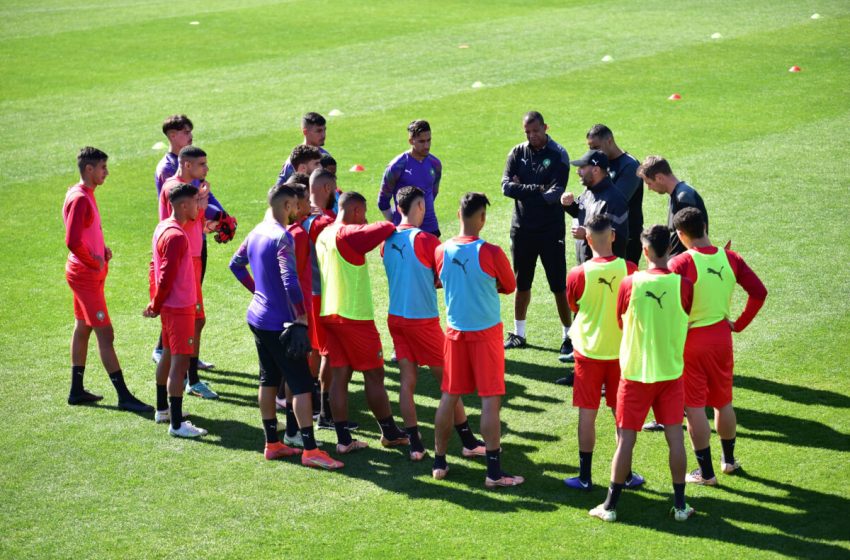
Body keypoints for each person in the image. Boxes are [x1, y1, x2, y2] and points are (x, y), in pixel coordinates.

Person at [229, 184, 343, 469]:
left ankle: (272, 443)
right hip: (280, 322)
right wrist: (301, 317)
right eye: (295, 205)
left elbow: (236, 264)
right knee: (302, 384)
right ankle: (310, 450)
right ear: (287, 206)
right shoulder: (282, 237)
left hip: (257, 318)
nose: (297, 210)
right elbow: (290, 280)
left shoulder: (256, 231)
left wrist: (257, 292)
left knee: (268, 379)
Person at [589, 225, 694, 522]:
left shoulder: (629, 283)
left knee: (626, 440)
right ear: (670, 250)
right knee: (675, 438)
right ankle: (681, 506)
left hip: (635, 373)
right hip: (670, 373)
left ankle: (609, 506)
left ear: (645, 251)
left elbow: (620, 321)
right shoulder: (684, 285)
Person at [381, 186, 486, 461]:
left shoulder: (387, 239)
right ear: (419, 207)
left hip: (396, 319)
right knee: (451, 383)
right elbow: (441, 276)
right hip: (422, 321)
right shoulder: (427, 241)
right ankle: (468, 441)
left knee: (407, 382)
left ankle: (415, 444)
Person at [669, 208, 767, 485]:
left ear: (681, 234)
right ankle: (729, 461)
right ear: (704, 227)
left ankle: (706, 473)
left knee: (695, 407)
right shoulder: (731, 258)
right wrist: (739, 323)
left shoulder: (681, 263)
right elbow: (759, 293)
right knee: (723, 402)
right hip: (722, 338)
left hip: (691, 341)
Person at [432, 193, 523, 488]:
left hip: (455, 333)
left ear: (459, 214)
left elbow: (439, 280)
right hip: (486, 335)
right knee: (489, 400)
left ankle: (440, 462)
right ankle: (494, 473)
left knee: (449, 396)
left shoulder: (441, 250)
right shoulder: (492, 252)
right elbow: (510, 285)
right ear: (482, 218)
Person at [315, 192, 409, 453]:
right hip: (354, 316)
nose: (366, 218)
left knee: (340, 376)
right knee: (374, 374)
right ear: (355, 211)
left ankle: (344, 440)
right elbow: (385, 226)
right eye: (364, 213)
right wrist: (393, 218)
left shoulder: (325, 234)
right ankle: (389, 432)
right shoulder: (348, 234)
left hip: (329, 313)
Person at [63, 147, 152, 412]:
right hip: (85, 276)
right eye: (103, 168)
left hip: (86, 273)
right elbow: (71, 240)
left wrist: (101, 251)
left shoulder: (81, 193)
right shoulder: (80, 198)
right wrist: (93, 260)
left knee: (83, 328)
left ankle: (76, 391)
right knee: (105, 333)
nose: (107, 172)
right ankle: (124, 396)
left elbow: (85, 235)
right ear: (89, 169)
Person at [563, 214, 642, 491]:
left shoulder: (577, 274)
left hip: (588, 353)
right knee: (621, 414)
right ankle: (627, 474)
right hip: (621, 353)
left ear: (587, 238)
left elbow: (573, 305)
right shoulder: (630, 269)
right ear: (613, 236)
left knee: (587, 412)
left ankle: (585, 477)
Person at [152, 114, 235, 370]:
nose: (191, 135)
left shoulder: (190, 175)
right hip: (182, 250)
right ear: (173, 135)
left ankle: (184, 361)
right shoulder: (171, 174)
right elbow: (191, 207)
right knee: (185, 313)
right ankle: (181, 368)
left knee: (193, 316)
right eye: (186, 132)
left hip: (193, 246)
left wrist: (219, 220)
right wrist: (219, 217)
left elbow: (200, 206)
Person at [501, 111, 573, 361]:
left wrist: (523, 190)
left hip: (550, 230)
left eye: (536, 131)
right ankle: (519, 334)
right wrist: (535, 188)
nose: (532, 136)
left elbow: (554, 193)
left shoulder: (559, 154)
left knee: (558, 285)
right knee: (522, 283)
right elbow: (505, 187)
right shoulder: (517, 152)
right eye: (527, 132)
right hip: (521, 229)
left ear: (545, 127)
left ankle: (568, 336)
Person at [144, 181, 209, 437]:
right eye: (196, 202)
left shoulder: (163, 227)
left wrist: (157, 303)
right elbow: (165, 275)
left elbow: (154, 268)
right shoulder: (176, 236)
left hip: (172, 306)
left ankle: (163, 410)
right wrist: (155, 304)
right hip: (179, 306)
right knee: (179, 361)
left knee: (169, 355)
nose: (199, 207)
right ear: (183, 205)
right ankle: (177, 424)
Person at [157, 146, 219, 399]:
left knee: (197, 320)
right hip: (183, 261)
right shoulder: (174, 188)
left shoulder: (191, 191)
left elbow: (194, 223)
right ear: (186, 165)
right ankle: (186, 381)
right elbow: (184, 218)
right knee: (189, 323)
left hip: (192, 257)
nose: (206, 168)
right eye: (202, 164)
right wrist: (202, 205)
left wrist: (209, 225)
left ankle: (188, 379)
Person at [303, 169, 357, 431]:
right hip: (323, 294)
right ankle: (325, 412)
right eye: (335, 191)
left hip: (305, 293)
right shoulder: (322, 222)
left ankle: (316, 406)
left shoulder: (300, 218)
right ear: (326, 189)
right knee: (328, 352)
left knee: (316, 349)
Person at [586, 125, 644, 265]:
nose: (593, 152)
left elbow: (613, 202)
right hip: (604, 236)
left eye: (596, 147)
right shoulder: (600, 163)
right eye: (590, 148)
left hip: (625, 238)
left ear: (609, 141)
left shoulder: (629, 166)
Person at [561, 149, 629, 264]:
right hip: (587, 264)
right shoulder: (589, 190)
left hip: (604, 270)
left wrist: (587, 233)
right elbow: (582, 212)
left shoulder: (615, 199)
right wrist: (569, 204)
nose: (578, 171)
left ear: (596, 170)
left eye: (582, 167)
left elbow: (619, 238)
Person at [378, 120, 442, 237]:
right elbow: (382, 200)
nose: (427, 146)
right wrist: (395, 221)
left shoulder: (435, 164)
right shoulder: (397, 166)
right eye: (421, 141)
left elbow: (433, 193)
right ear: (411, 141)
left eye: (429, 140)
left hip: (431, 229)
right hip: (405, 233)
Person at [637, 156, 708, 257]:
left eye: (649, 183)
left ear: (659, 178)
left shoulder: (683, 198)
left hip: (688, 264)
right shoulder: (677, 195)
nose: (649, 188)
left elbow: (691, 239)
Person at [276, 112, 331, 185]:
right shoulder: (293, 162)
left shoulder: (325, 155)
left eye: (324, 130)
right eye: (319, 131)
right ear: (305, 132)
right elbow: (278, 191)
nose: (323, 135)